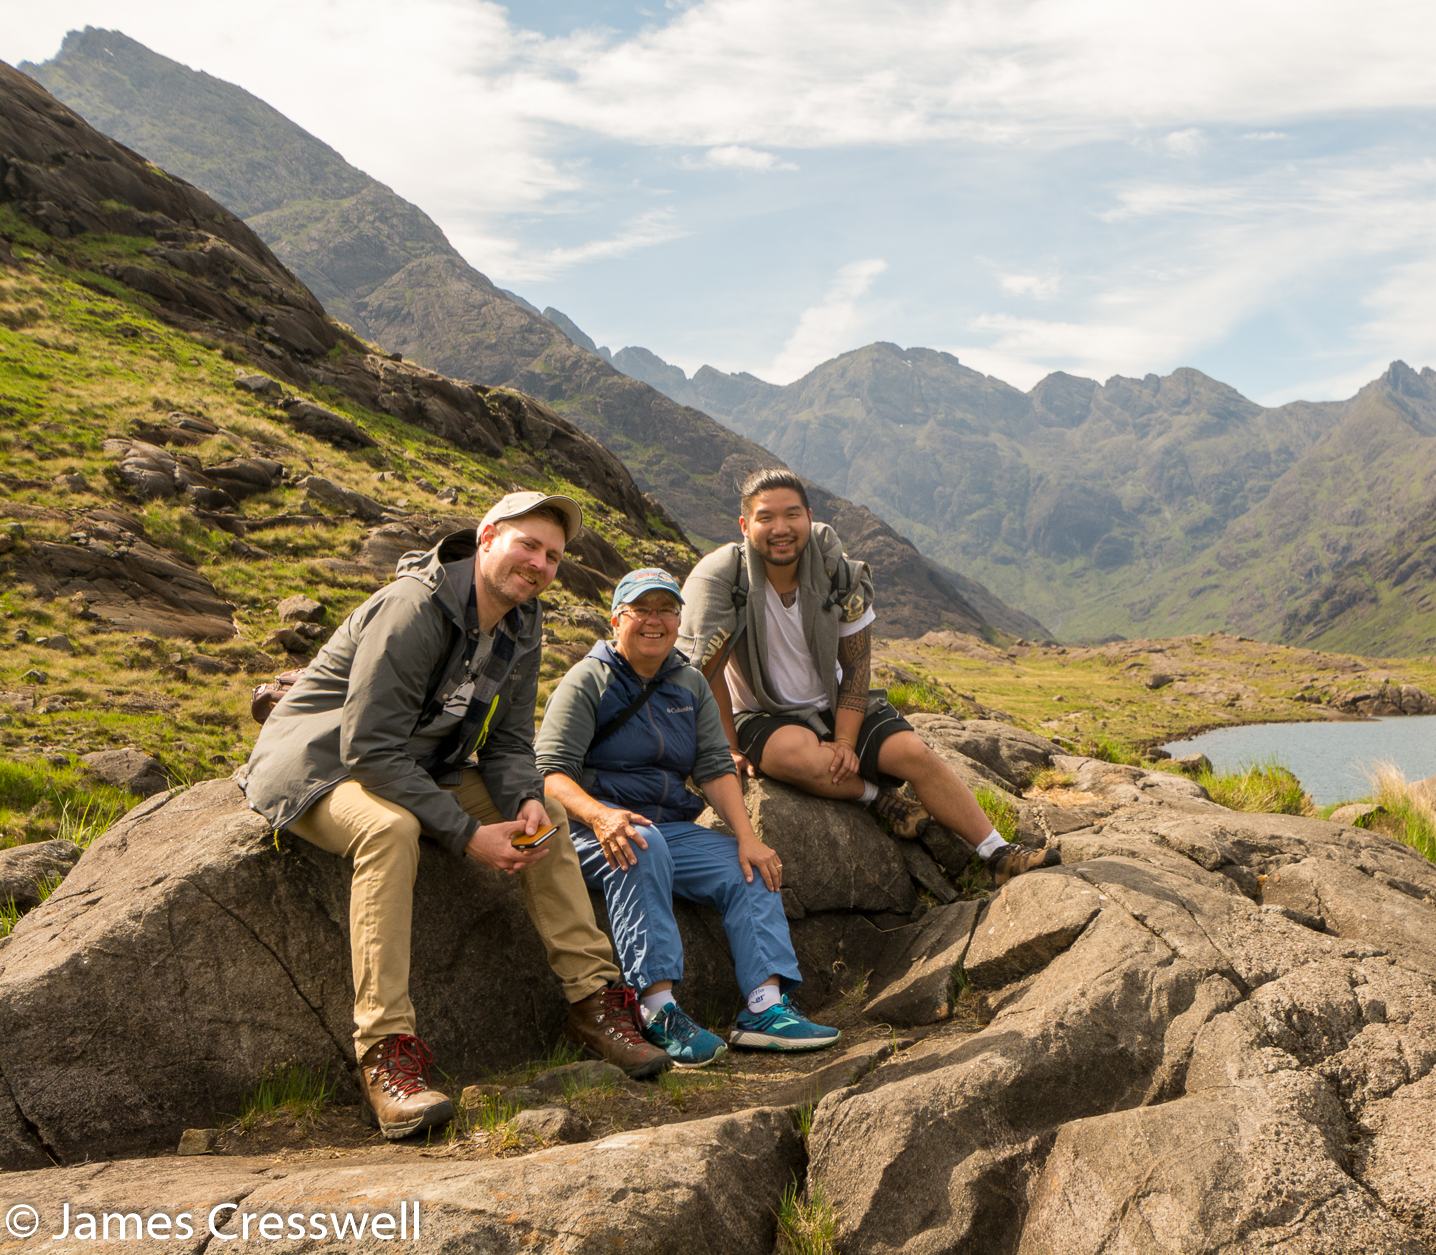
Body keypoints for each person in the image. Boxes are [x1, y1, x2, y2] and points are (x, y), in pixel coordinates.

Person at [241, 492, 669, 1141]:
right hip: (323, 762)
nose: (540, 562)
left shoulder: (523, 623)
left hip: (415, 761)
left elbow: (506, 744)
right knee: (389, 829)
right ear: (488, 536)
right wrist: (468, 832)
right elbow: (368, 748)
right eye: (528, 544)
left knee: (546, 810)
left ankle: (592, 1003)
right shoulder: (415, 607)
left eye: (553, 555)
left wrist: (522, 794)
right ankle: (385, 1054)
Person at [679, 469, 1060, 882]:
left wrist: (845, 739)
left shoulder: (835, 571)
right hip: (761, 712)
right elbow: (706, 670)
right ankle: (877, 797)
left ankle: (997, 851)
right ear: (745, 525)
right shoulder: (720, 579)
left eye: (792, 515)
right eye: (766, 517)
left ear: (809, 515)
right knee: (796, 755)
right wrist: (728, 750)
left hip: (834, 699)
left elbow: (857, 663)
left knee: (914, 754)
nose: (781, 529)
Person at [536, 567, 842, 1062]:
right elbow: (550, 774)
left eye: (666, 610)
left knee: (748, 868)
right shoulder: (587, 681)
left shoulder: (689, 684)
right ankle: (656, 1009)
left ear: (679, 621)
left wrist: (747, 837)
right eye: (642, 610)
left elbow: (716, 767)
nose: (654, 621)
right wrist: (601, 816)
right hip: (590, 829)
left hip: (668, 828)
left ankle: (764, 1010)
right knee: (642, 842)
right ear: (617, 620)